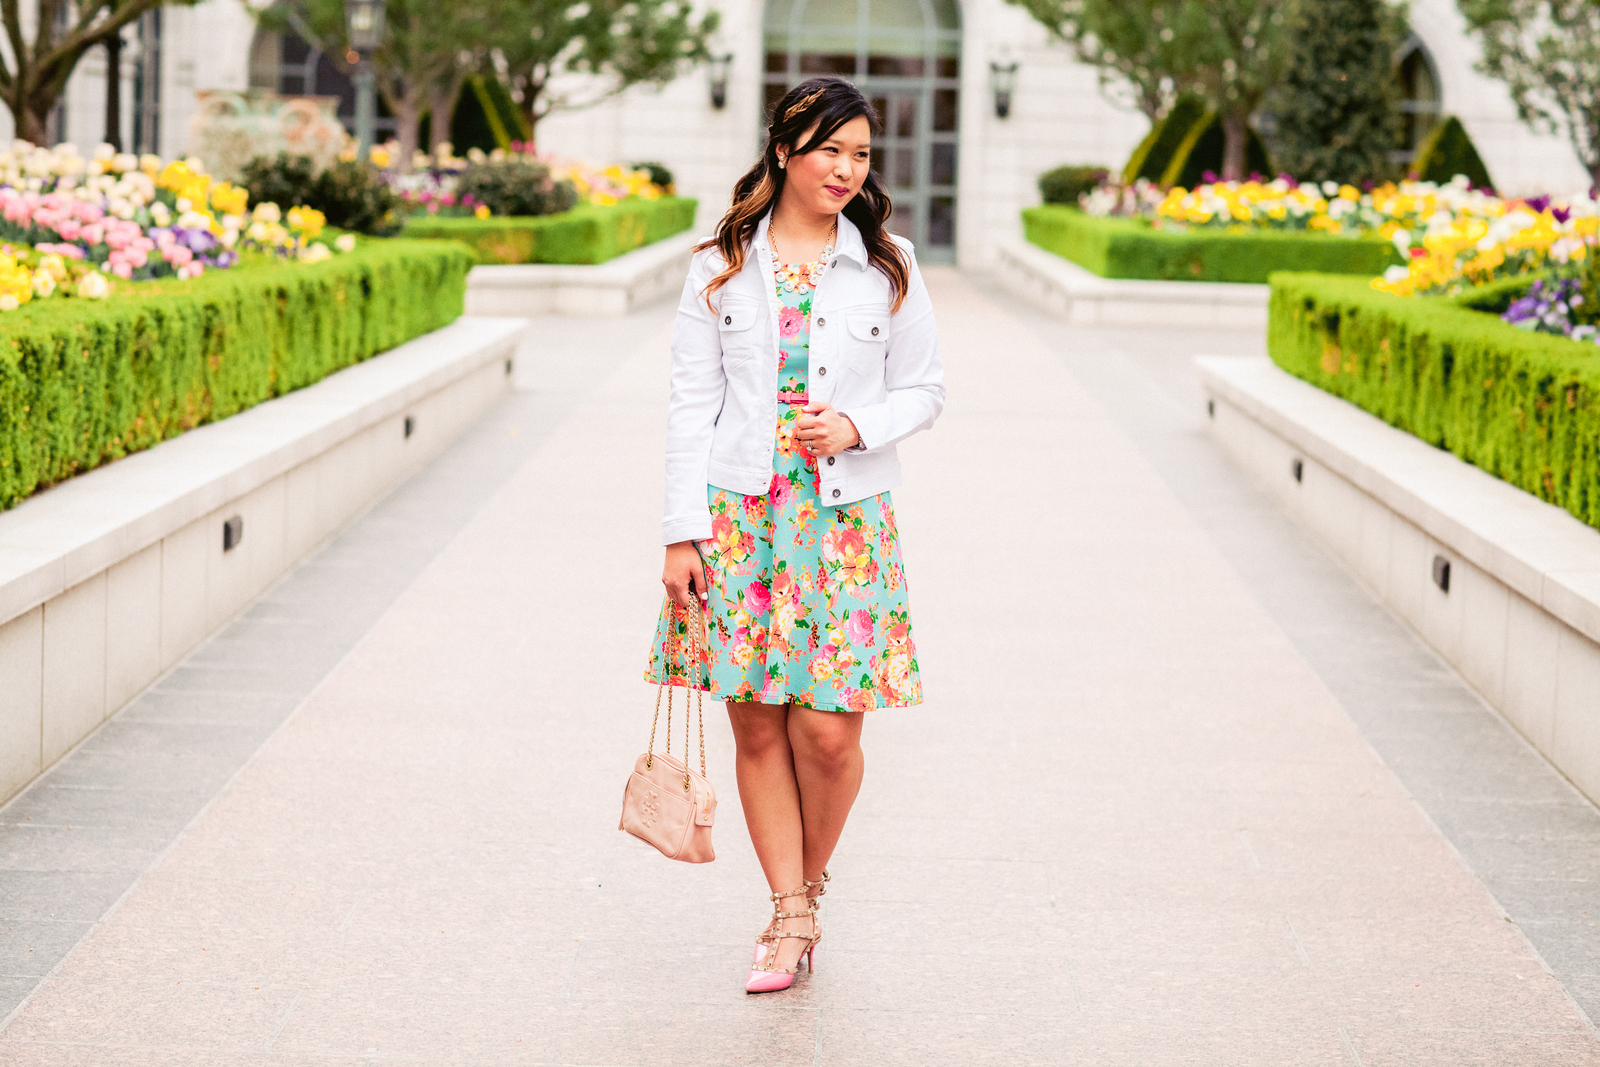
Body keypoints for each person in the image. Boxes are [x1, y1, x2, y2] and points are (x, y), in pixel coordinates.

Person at [646, 75, 944, 994]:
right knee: (758, 722)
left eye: (860, 154)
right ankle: (790, 910)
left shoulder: (886, 263)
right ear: (784, 150)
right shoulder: (722, 265)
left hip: (845, 522)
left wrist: (858, 426)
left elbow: (927, 389)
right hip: (740, 522)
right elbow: (691, 403)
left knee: (828, 733)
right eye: (831, 150)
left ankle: (806, 885)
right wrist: (680, 534)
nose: (847, 169)